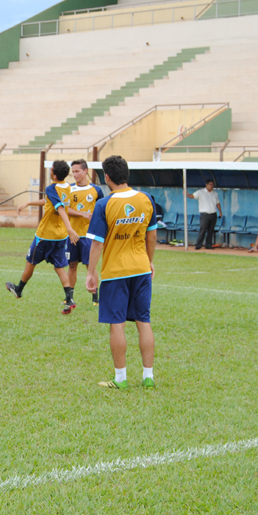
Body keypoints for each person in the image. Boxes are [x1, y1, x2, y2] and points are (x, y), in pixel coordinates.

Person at [85, 155, 157, 390]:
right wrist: (149, 261)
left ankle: (120, 379)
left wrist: (91, 272)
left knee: (117, 324)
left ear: (107, 177)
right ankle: (148, 377)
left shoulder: (104, 204)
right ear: (127, 174)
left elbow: (97, 243)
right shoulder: (146, 199)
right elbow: (152, 236)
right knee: (143, 321)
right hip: (141, 269)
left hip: (116, 272)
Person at [6, 160, 79, 314]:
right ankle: (69, 299)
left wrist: (70, 228)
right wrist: (28, 203)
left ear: (55, 174)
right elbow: (50, 202)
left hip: (45, 236)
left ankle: (18, 290)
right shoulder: (67, 188)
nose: (50, 172)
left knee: (30, 263)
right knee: (60, 267)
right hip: (60, 237)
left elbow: (60, 208)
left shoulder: (51, 188)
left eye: (51, 170)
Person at [65, 159, 104, 305]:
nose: (74, 175)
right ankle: (69, 297)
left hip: (89, 235)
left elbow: (102, 209)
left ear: (85, 171)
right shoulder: (69, 189)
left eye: (77, 171)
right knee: (72, 265)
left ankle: (96, 298)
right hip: (73, 234)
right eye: (73, 172)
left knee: (90, 266)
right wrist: (82, 214)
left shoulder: (96, 190)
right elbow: (65, 209)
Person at [187, 178, 222, 250]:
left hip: (213, 214)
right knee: (203, 230)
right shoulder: (201, 192)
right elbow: (193, 196)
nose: (212, 186)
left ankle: (208, 244)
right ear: (206, 185)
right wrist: (187, 194)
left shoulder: (215, 193)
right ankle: (198, 245)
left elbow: (217, 203)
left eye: (213, 184)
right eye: (210, 184)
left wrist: (220, 212)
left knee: (211, 230)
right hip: (205, 214)